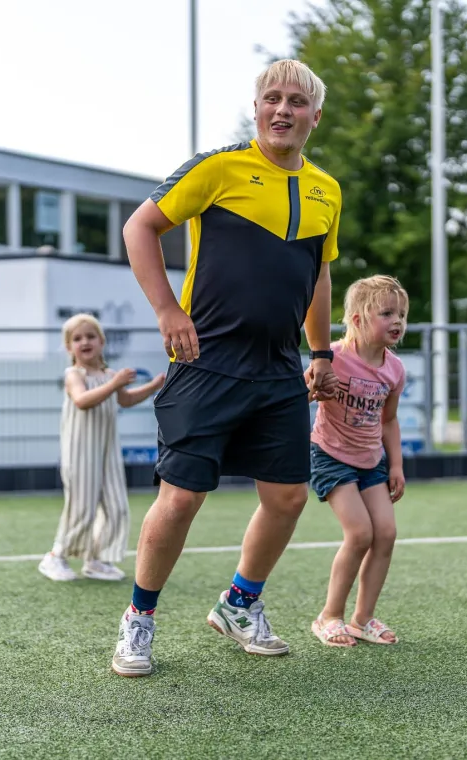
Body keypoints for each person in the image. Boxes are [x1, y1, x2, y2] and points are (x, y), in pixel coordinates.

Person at [111, 58, 341, 677]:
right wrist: (166, 311)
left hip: (278, 369)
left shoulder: (327, 190)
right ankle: (139, 621)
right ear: (258, 108)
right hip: (205, 360)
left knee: (289, 497)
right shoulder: (220, 166)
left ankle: (240, 603)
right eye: (273, 99)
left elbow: (320, 274)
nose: (283, 110)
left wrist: (320, 352)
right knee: (182, 498)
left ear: (314, 118)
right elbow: (140, 227)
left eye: (297, 102)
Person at [309, 275, 407, 647]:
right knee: (360, 533)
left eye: (400, 313)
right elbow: (304, 393)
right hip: (331, 456)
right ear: (357, 319)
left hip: (372, 461)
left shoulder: (394, 369)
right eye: (386, 313)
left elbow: (389, 420)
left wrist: (395, 465)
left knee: (386, 533)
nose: (397, 321)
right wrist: (316, 387)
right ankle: (328, 616)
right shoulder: (331, 357)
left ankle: (362, 619)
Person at [38, 313, 164, 583]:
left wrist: (153, 386)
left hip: (106, 451)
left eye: (90, 336)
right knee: (82, 506)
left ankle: (95, 559)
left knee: (116, 506)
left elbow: (126, 400)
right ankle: (55, 556)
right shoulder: (74, 374)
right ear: (69, 347)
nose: (85, 342)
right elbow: (82, 400)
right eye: (77, 338)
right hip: (80, 450)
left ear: (102, 342)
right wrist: (115, 383)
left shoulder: (108, 374)